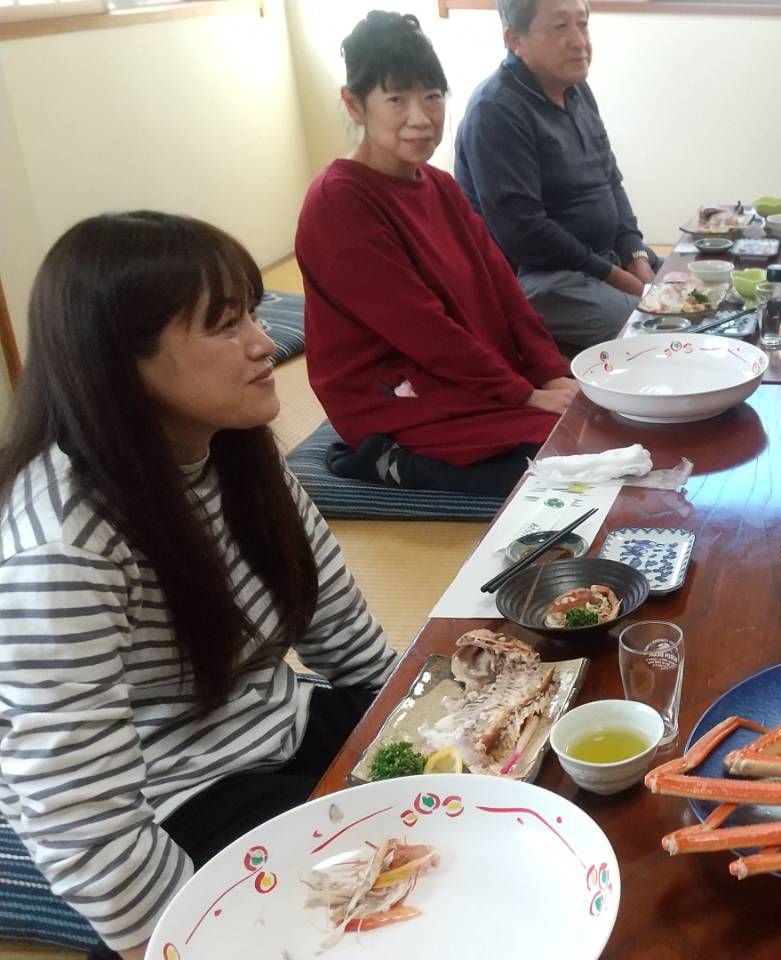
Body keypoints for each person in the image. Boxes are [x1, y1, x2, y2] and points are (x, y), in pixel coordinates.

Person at [0, 212, 397, 960]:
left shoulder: (233, 447)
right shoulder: (62, 550)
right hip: (180, 796)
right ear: (122, 362)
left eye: (252, 312)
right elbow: (81, 819)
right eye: (224, 326)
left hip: (282, 725)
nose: (264, 343)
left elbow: (341, 628)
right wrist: (192, 940)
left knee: (487, 755)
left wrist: (402, 725)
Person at [296, 11, 574, 496]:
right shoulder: (338, 201)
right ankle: (383, 459)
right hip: (395, 394)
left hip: (468, 374)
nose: (421, 118)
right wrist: (524, 395)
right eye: (396, 99)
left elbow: (505, 291)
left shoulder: (440, 186)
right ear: (355, 105)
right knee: (556, 462)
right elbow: (422, 328)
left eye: (432, 96)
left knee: (592, 418)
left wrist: (552, 374)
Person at [454, 0, 661, 354]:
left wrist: (637, 254)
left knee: (699, 292)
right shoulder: (496, 110)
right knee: (653, 332)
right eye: (560, 27)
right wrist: (618, 278)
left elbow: (610, 180)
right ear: (515, 40)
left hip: (602, 260)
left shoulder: (576, 89)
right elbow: (525, 233)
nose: (579, 41)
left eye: (582, 24)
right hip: (539, 278)